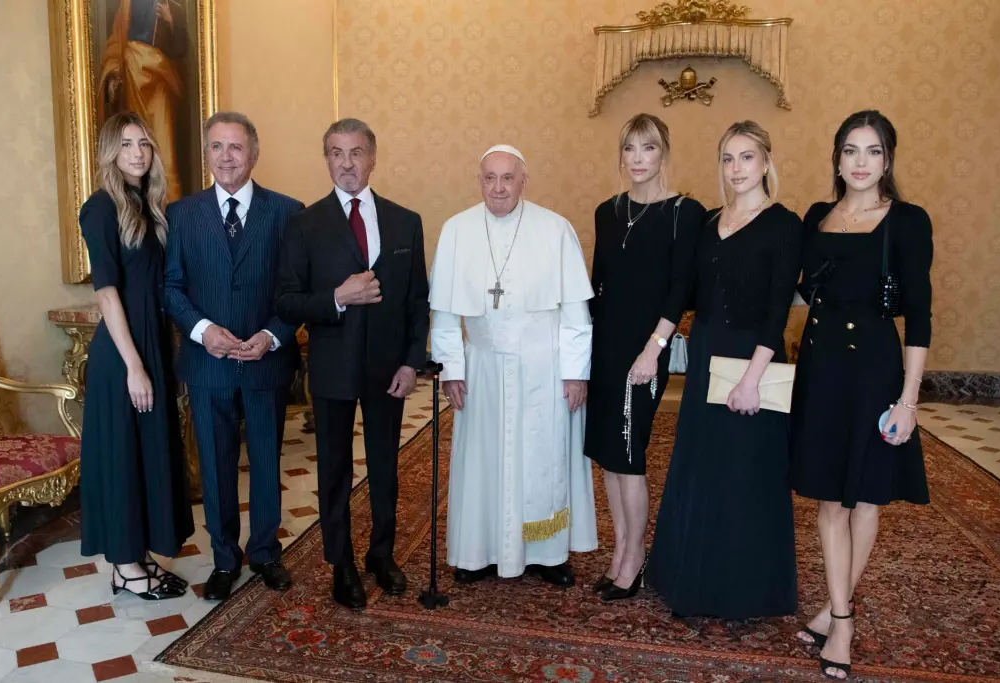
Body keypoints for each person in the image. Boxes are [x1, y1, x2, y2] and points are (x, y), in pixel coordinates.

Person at [790, 110, 932, 680]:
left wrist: (909, 400)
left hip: (875, 368)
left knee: (866, 498)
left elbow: (919, 319)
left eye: (873, 151)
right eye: (850, 150)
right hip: (821, 368)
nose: (861, 162)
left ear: (888, 159)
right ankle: (838, 611)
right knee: (829, 498)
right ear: (837, 157)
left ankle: (839, 617)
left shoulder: (907, 221)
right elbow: (798, 293)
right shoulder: (816, 216)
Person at [645, 121, 802, 619]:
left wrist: (752, 380)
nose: (737, 169)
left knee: (745, 476)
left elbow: (778, 310)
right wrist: (654, 346)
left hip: (753, 359)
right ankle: (689, 578)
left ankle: (742, 592)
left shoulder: (784, 223)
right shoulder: (709, 221)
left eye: (747, 157)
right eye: (728, 159)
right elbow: (681, 294)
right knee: (701, 470)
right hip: (709, 356)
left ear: (767, 161)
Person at [275, 119, 430, 610]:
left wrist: (411, 362)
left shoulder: (406, 221)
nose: (347, 162)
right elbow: (285, 300)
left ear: (373, 156)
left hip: (389, 370)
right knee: (336, 470)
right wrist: (337, 298)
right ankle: (341, 563)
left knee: (386, 466)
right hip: (333, 369)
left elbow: (417, 303)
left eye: (356, 152)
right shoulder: (305, 223)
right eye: (336, 153)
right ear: (326, 159)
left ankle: (381, 554)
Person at [429, 144, 597, 587]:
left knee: (544, 460)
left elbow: (577, 312)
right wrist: (452, 368)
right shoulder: (457, 230)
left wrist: (576, 371)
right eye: (489, 178)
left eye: (508, 178)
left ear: (524, 181)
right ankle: (477, 551)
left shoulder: (555, 229)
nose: (498, 187)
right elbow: (444, 313)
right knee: (482, 461)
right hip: (482, 366)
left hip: (544, 366)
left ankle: (548, 553)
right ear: (479, 180)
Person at [164, 112, 304, 600]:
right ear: (207, 155)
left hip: (265, 361)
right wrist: (203, 333)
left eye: (236, 147)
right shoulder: (182, 214)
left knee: (266, 460)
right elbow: (173, 288)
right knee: (218, 464)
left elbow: (296, 291)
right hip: (208, 366)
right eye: (217, 147)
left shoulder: (288, 212)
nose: (227, 156)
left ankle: (265, 553)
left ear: (254, 153)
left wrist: (272, 334)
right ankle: (225, 559)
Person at [585, 113, 705, 601]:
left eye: (648, 148)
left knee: (631, 456)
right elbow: (597, 285)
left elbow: (680, 289)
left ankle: (634, 559)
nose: (638, 159)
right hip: (605, 347)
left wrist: (653, 350)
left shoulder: (684, 212)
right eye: (630, 149)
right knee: (609, 459)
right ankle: (620, 552)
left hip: (645, 351)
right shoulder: (607, 211)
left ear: (664, 153)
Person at [79, 111, 192, 600]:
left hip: (152, 344)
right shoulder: (100, 207)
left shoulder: (146, 206)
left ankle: (138, 555)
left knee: (148, 452)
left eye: (144, 144)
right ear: (110, 151)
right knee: (124, 454)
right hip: (122, 355)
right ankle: (125, 568)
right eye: (126, 144)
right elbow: (107, 295)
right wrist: (135, 366)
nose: (138, 153)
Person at [98, 0, 188, 202]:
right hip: (133, 78)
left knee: (164, 149)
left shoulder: (175, 8)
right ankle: (138, 203)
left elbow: (181, 50)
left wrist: (170, 21)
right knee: (135, 146)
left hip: (160, 83)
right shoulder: (127, 5)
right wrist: (112, 76)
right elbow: (116, 43)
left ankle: (168, 207)